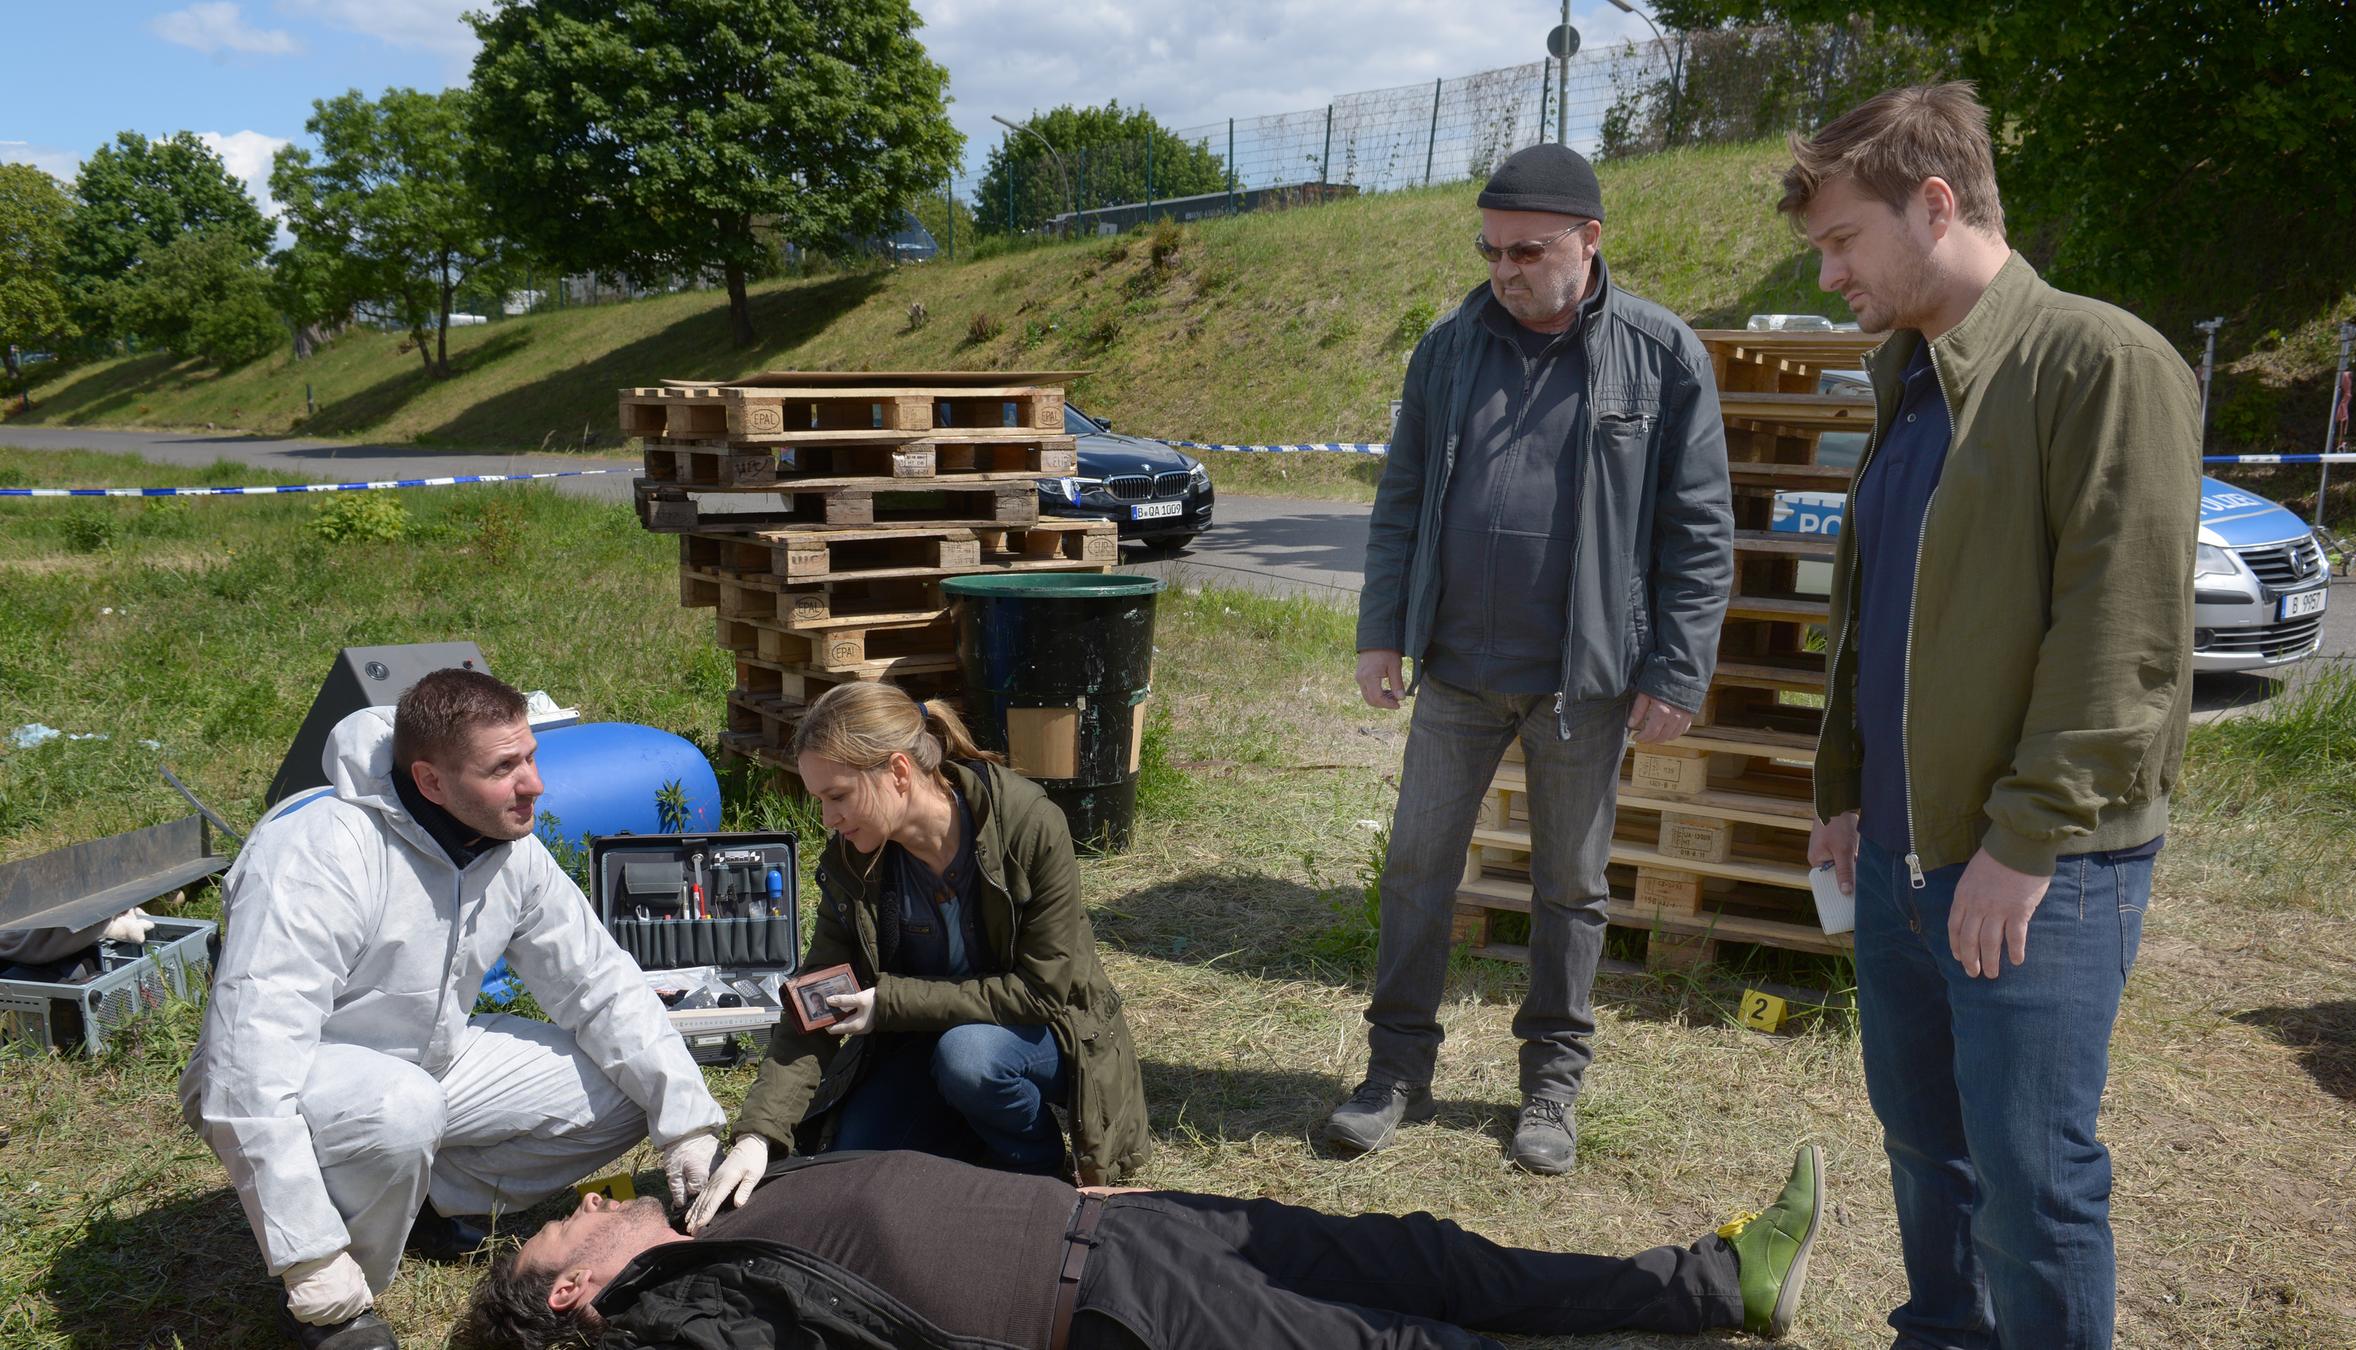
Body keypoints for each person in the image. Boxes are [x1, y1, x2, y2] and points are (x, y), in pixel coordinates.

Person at [1787, 83, 2201, 1349]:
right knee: (1925, 1143)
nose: (1828, 271)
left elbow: (2123, 642)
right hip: (1907, 855)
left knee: (2031, 1180)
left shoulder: (2100, 362)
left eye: (1843, 240)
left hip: (2039, 868)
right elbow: (1888, 611)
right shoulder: (1912, 377)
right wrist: (1845, 796)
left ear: (1936, 202)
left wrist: (2023, 849)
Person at [1340, 141, 1733, 1173]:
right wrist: (1383, 628)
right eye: (1491, 249)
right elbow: (1402, 499)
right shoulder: (1448, 349)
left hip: (1583, 685)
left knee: (1571, 887)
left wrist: (1678, 669)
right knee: (1418, 871)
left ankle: (1550, 1089)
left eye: (1527, 250)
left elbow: (1699, 530)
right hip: (1457, 672)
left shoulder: (1661, 353)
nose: (1504, 269)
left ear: (1589, 240)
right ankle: (1394, 1072)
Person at [180, 669, 725, 1350]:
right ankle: (336, 1303)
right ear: (432, 781)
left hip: (423, 1058)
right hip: (299, 1078)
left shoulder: (504, 844)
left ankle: (422, 1204)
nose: (535, 784)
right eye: (504, 768)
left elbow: (599, 984)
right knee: (399, 1110)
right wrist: (308, 1259)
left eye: (530, 756)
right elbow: (248, 1072)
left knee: (623, 1093)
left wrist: (688, 1124)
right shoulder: (318, 853)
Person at [460, 1143, 1825, 1350]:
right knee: (1407, 1335)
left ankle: (1714, 1273)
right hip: (1112, 1300)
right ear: (581, 1284)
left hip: (1115, 1222)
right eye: (565, 1225)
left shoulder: (717, 1220)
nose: (583, 1198)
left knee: (1418, 1249)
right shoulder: (690, 1319)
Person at [686, 683, 1146, 1228]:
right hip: (920, 1048)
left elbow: (1042, 991)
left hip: (1043, 1035)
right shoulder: (853, 863)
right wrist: (759, 1135)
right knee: (850, 1163)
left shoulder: (1028, 825)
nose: (828, 819)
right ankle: (968, 1140)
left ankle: (1037, 1171)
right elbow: (817, 1000)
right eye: (820, 802)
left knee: (970, 1059)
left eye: (838, 795)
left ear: (899, 773)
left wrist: (890, 1003)